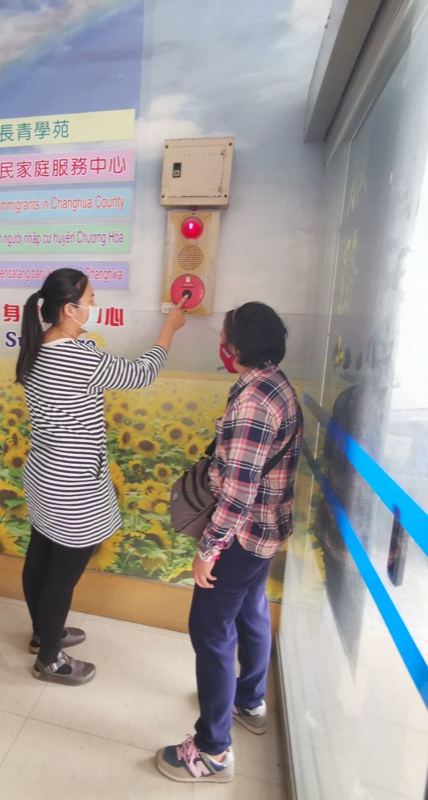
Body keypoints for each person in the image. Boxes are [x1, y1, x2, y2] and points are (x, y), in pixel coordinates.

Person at [16, 267, 186, 686]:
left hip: (43, 475)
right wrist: (169, 327)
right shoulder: (78, 357)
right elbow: (141, 373)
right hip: (72, 483)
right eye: (90, 299)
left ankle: (43, 634)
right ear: (69, 309)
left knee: (41, 552)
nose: (94, 305)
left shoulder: (37, 346)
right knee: (63, 575)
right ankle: (49, 661)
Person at [156, 301, 303, 784]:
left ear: (235, 347)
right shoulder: (275, 383)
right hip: (266, 531)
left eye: (224, 336)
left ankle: (212, 751)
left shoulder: (253, 403)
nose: (220, 343)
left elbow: (239, 492)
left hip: (241, 535)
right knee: (251, 609)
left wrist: (208, 550)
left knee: (211, 630)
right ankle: (249, 700)